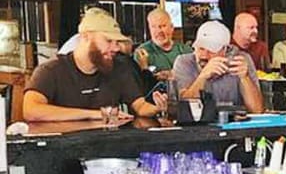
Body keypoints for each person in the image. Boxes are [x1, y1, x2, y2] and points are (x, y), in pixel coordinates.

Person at [23, 8, 167, 121]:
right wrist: (94, 114)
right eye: (109, 41)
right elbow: (31, 110)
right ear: (86, 37)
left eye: (117, 42)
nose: (116, 48)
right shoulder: (51, 71)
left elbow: (140, 107)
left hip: (106, 151)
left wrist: (159, 107)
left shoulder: (119, 68)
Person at [173, 21, 263, 114]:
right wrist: (202, 77)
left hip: (234, 125)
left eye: (211, 50)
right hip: (198, 126)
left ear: (225, 50)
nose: (204, 55)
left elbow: (257, 110)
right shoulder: (185, 62)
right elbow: (184, 110)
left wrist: (245, 78)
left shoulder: (240, 61)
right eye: (201, 49)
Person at [134, 7, 192, 80]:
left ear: (171, 27)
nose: (159, 31)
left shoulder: (185, 51)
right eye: (154, 27)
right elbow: (140, 83)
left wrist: (172, 74)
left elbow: (195, 75)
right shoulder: (142, 52)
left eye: (163, 26)